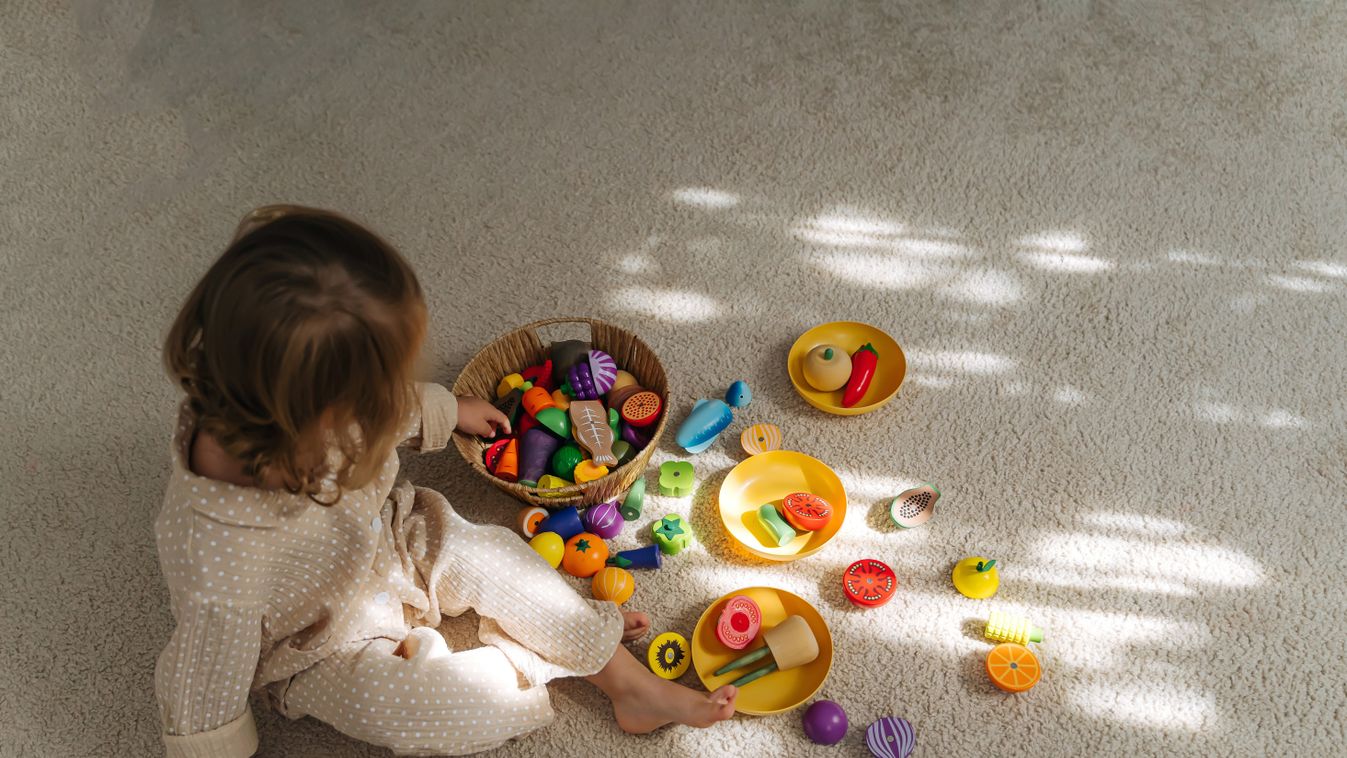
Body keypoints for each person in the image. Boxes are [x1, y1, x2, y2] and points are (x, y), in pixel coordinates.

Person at [153, 206, 736, 757]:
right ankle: (544, 659)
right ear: (315, 417)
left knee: (499, 557)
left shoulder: (309, 401)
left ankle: (627, 683)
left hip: (390, 540)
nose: (387, 402)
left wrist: (443, 410)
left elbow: (384, 407)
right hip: (315, 644)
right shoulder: (218, 562)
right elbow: (203, 678)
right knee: (417, 707)